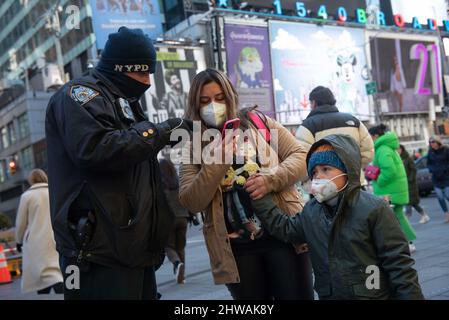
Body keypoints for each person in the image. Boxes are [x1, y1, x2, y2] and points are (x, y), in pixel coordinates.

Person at [45, 27, 192, 300]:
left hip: (130, 249)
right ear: (121, 67)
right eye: (142, 72)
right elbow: (95, 149)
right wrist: (160, 132)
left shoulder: (122, 100)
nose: (147, 81)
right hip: (97, 254)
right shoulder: (78, 96)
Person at [179, 68, 314, 300]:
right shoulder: (192, 145)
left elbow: (301, 156)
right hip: (236, 251)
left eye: (220, 98)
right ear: (196, 105)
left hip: (284, 237)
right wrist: (216, 162)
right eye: (205, 101)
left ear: (230, 97)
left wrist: (271, 179)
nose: (213, 105)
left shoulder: (257, 122)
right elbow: (191, 200)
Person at [250, 134, 424, 300]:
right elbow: (286, 229)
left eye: (326, 169)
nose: (319, 177)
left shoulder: (374, 209)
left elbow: (399, 265)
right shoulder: (311, 211)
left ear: (347, 170)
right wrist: (260, 196)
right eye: (315, 173)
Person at [295, 86, 374, 185]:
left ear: (314, 103)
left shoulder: (307, 126)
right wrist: (351, 169)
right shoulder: (354, 121)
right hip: (354, 184)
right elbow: (368, 153)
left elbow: (301, 161)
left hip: (324, 189)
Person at [368, 124, 417, 253]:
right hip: (394, 189)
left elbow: (389, 170)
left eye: (370, 136)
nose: (369, 139)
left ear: (376, 136)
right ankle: (407, 242)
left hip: (389, 191)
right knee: (397, 216)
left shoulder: (382, 149)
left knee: (395, 217)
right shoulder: (388, 147)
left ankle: (408, 242)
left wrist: (378, 180)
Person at [15, 169, 63, 295]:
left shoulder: (27, 196)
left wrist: (18, 241)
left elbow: (20, 223)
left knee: (42, 275)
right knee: (54, 271)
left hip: (35, 240)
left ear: (31, 180)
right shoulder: (53, 192)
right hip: (55, 236)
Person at [159, 157, 193, 284]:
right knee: (181, 247)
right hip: (183, 218)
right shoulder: (178, 182)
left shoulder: (161, 184)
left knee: (168, 246)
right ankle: (181, 277)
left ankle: (176, 262)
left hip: (170, 220)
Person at [398, 144, 430, 224]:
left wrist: (410, 179)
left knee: (408, 201)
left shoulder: (408, 159)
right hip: (403, 184)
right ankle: (424, 215)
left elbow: (413, 170)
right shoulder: (398, 159)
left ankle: (407, 219)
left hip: (410, 184)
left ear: (402, 149)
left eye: (399, 149)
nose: (398, 150)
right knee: (413, 203)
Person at [427, 135, 449, 223]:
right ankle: (446, 214)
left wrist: (446, 169)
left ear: (437, 142)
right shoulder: (430, 152)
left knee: (447, 195)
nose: (431, 144)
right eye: (430, 142)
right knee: (440, 197)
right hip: (436, 178)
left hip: (446, 177)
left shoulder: (446, 150)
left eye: (433, 142)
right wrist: (431, 170)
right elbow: (428, 163)